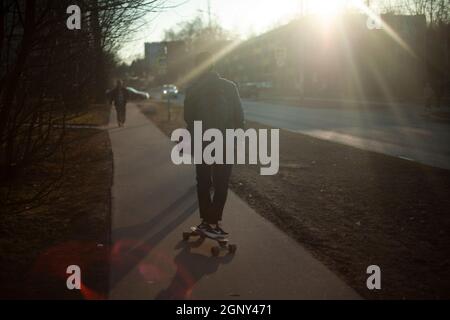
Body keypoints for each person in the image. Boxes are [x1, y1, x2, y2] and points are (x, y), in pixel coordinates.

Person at [184, 51, 244, 239]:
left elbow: (188, 117)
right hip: (226, 142)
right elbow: (239, 117)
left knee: (203, 182)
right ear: (212, 65)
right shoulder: (230, 87)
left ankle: (205, 221)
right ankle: (214, 221)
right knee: (221, 183)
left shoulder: (193, 89)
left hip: (202, 142)